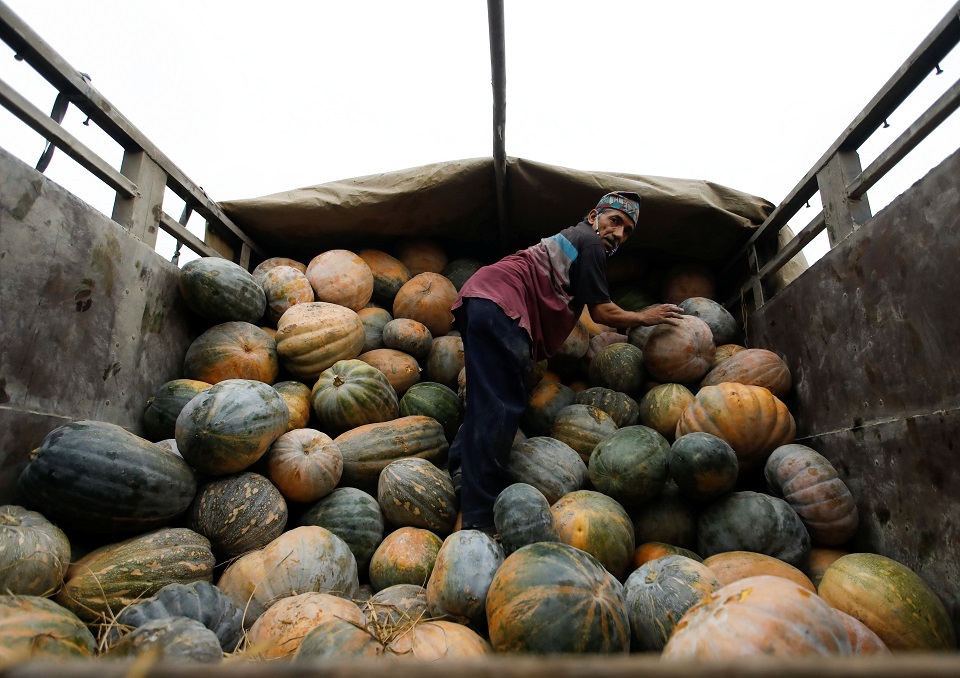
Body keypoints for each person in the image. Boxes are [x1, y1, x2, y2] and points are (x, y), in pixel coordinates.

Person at [447, 190, 684, 532]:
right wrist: (645, 317)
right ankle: (479, 517)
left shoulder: (577, 242)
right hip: (500, 306)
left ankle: (459, 470)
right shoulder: (588, 242)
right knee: (501, 407)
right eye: (615, 221)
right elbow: (602, 312)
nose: (618, 233)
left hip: (481, 300)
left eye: (627, 230)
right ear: (593, 216)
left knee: (487, 400)